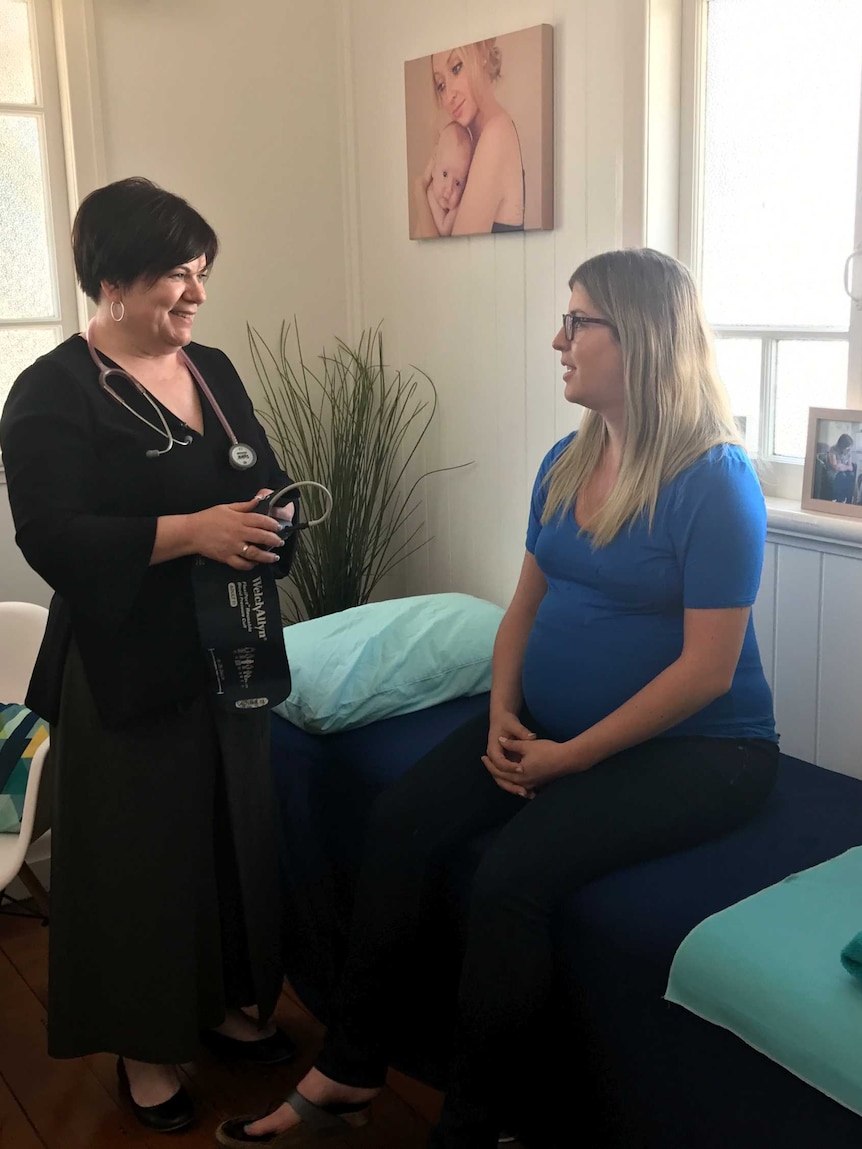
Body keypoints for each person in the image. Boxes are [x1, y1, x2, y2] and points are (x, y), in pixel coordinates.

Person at [215, 248, 779, 1149]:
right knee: (403, 818)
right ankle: (350, 1070)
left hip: (704, 751)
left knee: (513, 877)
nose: (558, 338)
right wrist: (504, 712)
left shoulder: (716, 482)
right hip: (549, 724)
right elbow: (524, 605)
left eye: (578, 321)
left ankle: (477, 1128)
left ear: (637, 338)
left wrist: (570, 758)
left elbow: (707, 671)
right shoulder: (567, 459)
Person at [0, 177, 301, 1133]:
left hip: (232, 652)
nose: (197, 294)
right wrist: (192, 533)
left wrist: (275, 520)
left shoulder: (211, 367)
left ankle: (219, 1004)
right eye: (178, 274)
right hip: (129, 665)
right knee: (142, 860)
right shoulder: (50, 393)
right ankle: (145, 1045)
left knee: (228, 834)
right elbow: (52, 535)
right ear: (115, 280)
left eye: (202, 272)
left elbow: (261, 473)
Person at [413, 38, 525, 237]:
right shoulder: (472, 144)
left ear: (482, 52)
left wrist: (419, 192)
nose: (448, 97)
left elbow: (450, 256)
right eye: (441, 85)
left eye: (456, 68)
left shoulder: (496, 135)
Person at [425, 121, 475, 237]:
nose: (449, 190)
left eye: (457, 183)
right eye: (445, 174)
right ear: (433, 169)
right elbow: (444, 230)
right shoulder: (430, 194)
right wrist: (458, 206)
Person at [826, 432, 855, 502]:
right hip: (833, 472)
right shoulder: (833, 450)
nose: (849, 449)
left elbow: (850, 467)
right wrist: (844, 466)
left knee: (851, 475)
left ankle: (849, 501)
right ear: (842, 446)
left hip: (843, 471)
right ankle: (840, 500)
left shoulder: (848, 452)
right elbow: (835, 466)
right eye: (847, 447)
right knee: (842, 476)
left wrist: (841, 465)